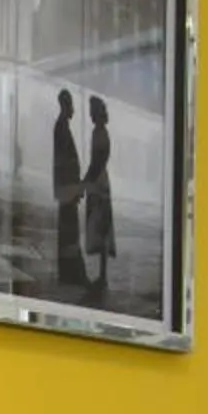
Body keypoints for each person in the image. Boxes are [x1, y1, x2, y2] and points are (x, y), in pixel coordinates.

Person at [50, 88, 87, 287]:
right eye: (71, 104)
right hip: (67, 190)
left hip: (66, 190)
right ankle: (72, 274)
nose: (73, 108)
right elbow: (65, 164)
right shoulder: (61, 128)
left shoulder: (62, 126)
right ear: (66, 105)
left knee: (69, 231)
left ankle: (70, 273)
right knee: (69, 232)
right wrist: (75, 187)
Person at [81, 94, 116, 297]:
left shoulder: (99, 133)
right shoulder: (101, 132)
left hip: (98, 183)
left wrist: (87, 181)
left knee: (100, 228)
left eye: (92, 111)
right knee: (101, 229)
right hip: (101, 181)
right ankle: (102, 275)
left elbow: (98, 160)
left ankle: (102, 277)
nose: (91, 115)